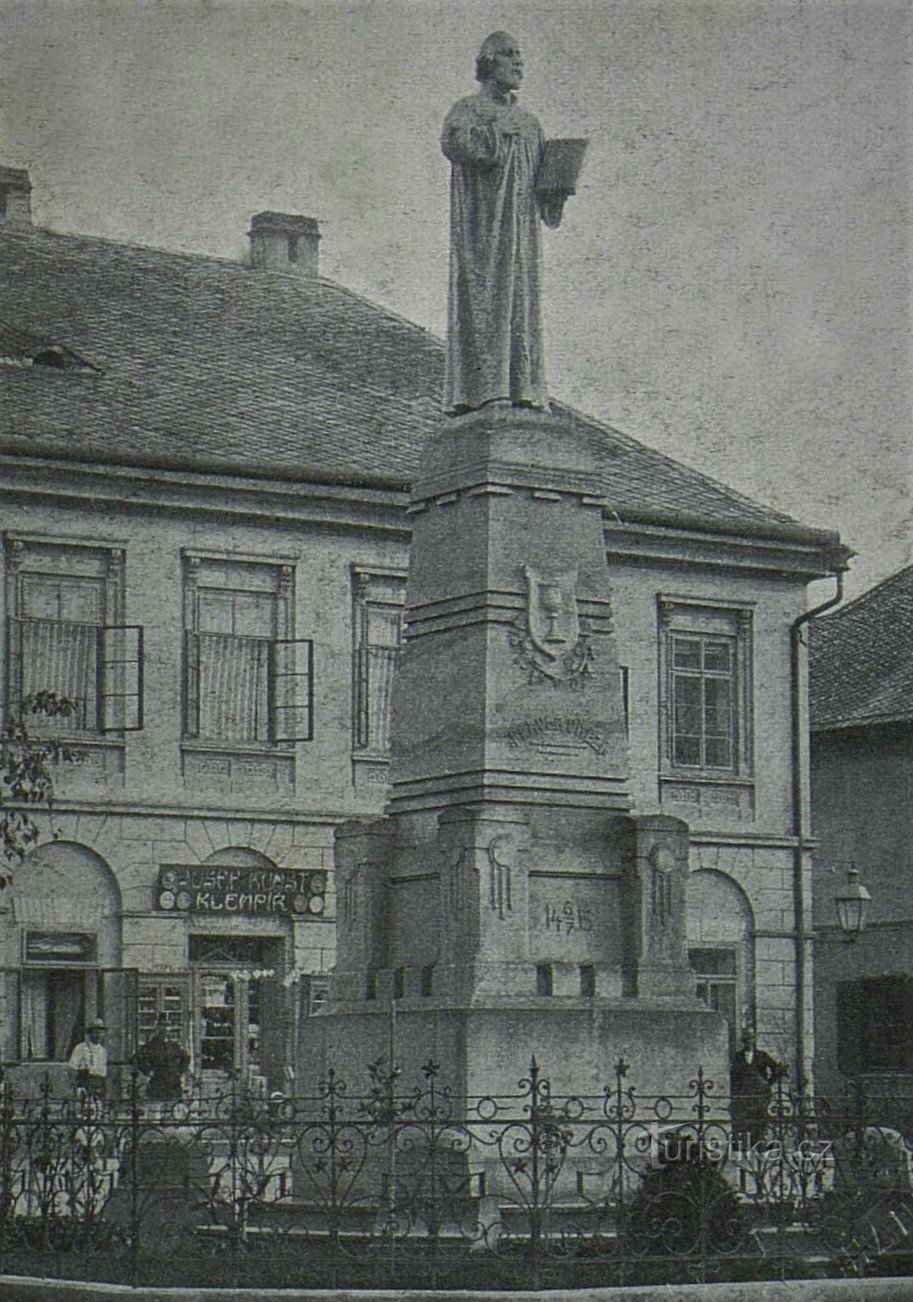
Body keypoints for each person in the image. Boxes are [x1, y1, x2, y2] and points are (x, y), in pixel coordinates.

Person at [441, 31, 571, 414]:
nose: (518, 63)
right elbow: (456, 145)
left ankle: (524, 389)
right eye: (509, 55)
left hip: (521, 236)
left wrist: (556, 189)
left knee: (521, 304)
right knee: (484, 303)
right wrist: (497, 133)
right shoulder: (467, 110)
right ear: (487, 63)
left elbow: (544, 193)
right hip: (482, 233)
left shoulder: (530, 125)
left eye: (521, 57)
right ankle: (482, 390)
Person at [730, 1026, 786, 1150]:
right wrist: (736, 1090)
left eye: (751, 1038)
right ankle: (744, 1143)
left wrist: (768, 1083)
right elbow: (734, 1075)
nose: (749, 1041)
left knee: (760, 1116)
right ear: (744, 1041)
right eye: (747, 1039)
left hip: (760, 1093)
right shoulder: (738, 1056)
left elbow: (777, 1069)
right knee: (744, 1117)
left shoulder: (762, 1055)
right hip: (744, 1093)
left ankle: (760, 1142)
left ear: (754, 1040)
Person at [133, 1013, 190, 1103]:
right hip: (157, 1085)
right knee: (156, 1111)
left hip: (173, 1086)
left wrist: (179, 1071)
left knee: (173, 1112)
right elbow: (137, 1058)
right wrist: (148, 1071)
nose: (165, 1028)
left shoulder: (175, 1046)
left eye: (167, 1025)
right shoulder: (151, 1045)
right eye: (162, 1025)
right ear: (158, 1027)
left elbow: (186, 1058)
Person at [69, 1017, 108, 1098]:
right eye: (96, 1032)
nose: (99, 1035)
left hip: (98, 1085)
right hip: (84, 1083)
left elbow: (103, 1072)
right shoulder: (80, 1048)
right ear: (90, 1033)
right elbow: (72, 1069)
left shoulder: (103, 1051)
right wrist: (76, 1087)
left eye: (101, 1032)